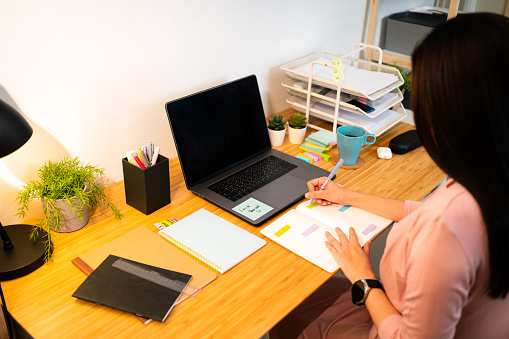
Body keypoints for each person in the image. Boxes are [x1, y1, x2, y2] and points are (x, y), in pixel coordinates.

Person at [269, 12, 509, 339]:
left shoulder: (448, 226)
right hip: (402, 306)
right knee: (289, 308)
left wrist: (363, 278)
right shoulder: (488, 177)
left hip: (387, 321)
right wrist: (346, 196)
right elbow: (422, 213)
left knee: (283, 313)